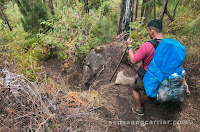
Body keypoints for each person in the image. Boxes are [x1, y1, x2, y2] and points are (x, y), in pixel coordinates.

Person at [125, 19, 190, 117]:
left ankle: (140, 107)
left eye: (148, 31)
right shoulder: (171, 45)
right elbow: (179, 64)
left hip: (147, 77)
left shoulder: (147, 46)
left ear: (152, 31)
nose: (148, 33)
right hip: (164, 79)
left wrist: (129, 46)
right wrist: (184, 81)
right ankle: (148, 97)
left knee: (134, 87)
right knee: (150, 91)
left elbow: (134, 60)